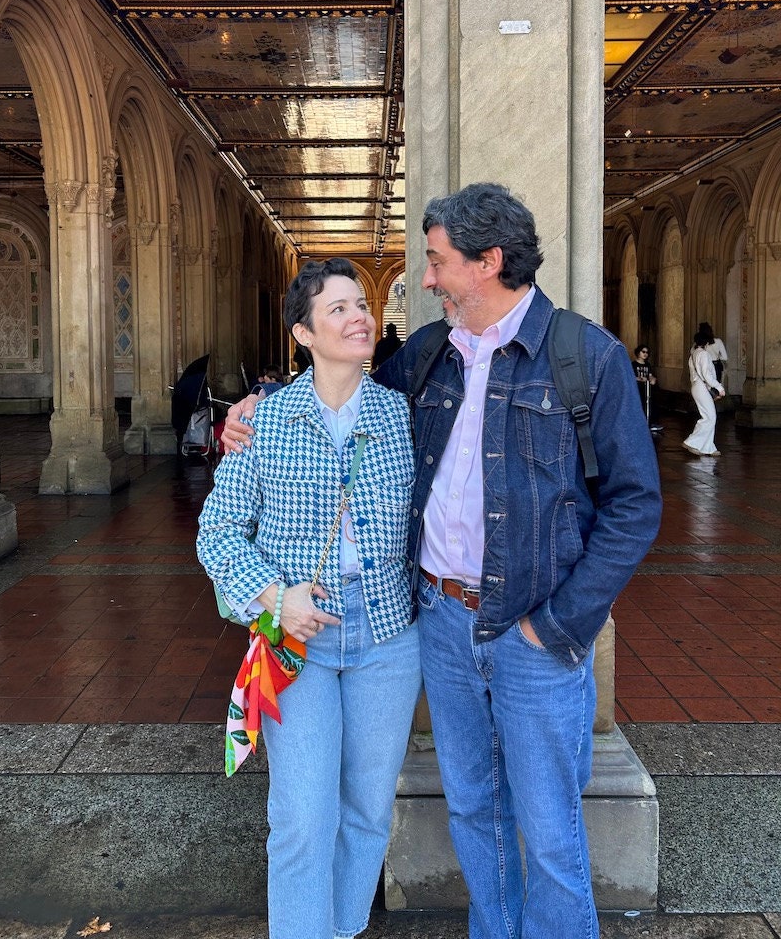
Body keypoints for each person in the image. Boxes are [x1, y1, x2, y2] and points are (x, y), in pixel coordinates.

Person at [223, 184, 662, 939]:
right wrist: (257, 404)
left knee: (550, 832)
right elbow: (333, 395)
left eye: (436, 261)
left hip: (533, 635)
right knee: (473, 813)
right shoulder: (428, 360)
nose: (423, 280)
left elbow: (635, 506)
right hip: (441, 629)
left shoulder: (585, 357)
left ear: (487, 262)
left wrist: (558, 625)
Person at [196, 258, 421, 939]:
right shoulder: (266, 420)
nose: (360, 318)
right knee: (300, 814)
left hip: (388, 637)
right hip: (299, 640)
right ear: (303, 332)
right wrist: (273, 597)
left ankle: (343, 928)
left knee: (367, 812)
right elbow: (217, 531)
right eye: (339, 310)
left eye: (362, 305)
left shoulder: (404, 414)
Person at [683, 327, 725, 457]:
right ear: (706, 343)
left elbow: (696, 375)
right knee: (710, 417)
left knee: (708, 416)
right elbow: (706, 374)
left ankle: (708, 447)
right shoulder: (704, 354)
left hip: (696, 386)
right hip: (701, 386)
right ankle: (692, 441)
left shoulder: (693, 355)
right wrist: (719, 387)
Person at [632, 343, 662, 432]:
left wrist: (653, 379)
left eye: (647, 352)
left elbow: (650, 375)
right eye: (643, 352)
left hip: (647, 388)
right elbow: (630, 377)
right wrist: (640, 379)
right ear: (638, 353)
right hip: (638, 389)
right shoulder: (633, 364)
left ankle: (651, 423)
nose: (645, 354)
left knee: (652, 404)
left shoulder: (647, 365)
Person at [698, 321, 728, 385]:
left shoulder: (701, 344)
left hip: (705, 366)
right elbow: (725, 357)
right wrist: (718, 356)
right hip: (716, 366)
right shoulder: (718, 341)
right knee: (716, 387)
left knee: (706, 388)